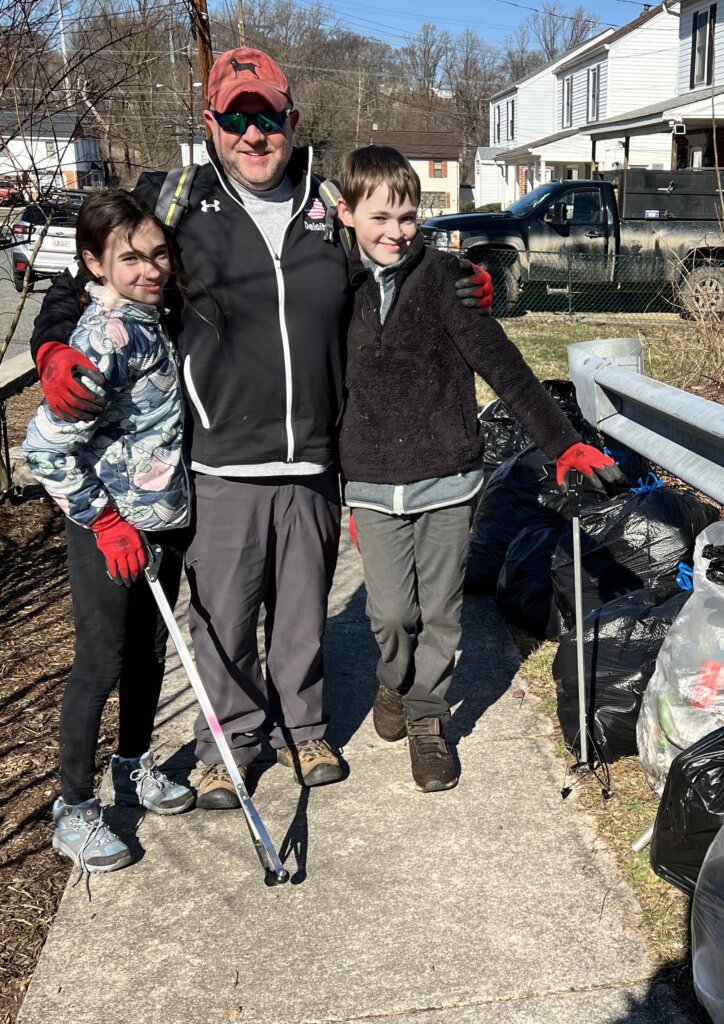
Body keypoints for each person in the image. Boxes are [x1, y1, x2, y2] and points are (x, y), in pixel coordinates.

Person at [29, 48, 491, 807]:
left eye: (265, 117)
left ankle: (304, 729)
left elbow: (397, 257)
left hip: (312, 457)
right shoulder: (174, 200)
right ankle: (231, 741)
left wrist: (467, 279)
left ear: (291, 122)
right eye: (235, 118)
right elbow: (89, 269)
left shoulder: (328, 205)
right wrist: (52, 347)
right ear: (212, 123)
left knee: (304, 612)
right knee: (225, 618)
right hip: (218, 459)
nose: (252, 134)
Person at [335, 146, 624, 793]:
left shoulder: (444, 280)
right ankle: (392, 679)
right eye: (381, 216)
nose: (397, 231)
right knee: (389, 614)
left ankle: (429, 720)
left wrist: (562, 441)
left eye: (408, 215)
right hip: (374, 483)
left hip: (446, 477)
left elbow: (503, 364)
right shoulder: (332, 288)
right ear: (347, 214)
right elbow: (319, 390)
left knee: (438, 610)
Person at [23, 191, 194, 872]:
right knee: (99, 665)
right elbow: (44, 450)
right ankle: (74, 808)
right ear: (94, 261)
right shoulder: (106, 336)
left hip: (163, 527)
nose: (150, 268)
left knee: (149, 653)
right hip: (111, 535)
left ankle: (132, 767)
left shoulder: (156, 319)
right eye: (130, 258)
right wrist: (104, 520)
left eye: (158, 254)